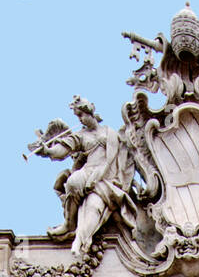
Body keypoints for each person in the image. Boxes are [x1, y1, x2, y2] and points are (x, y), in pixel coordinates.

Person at [32, 97, 136, 256]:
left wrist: (97, 176)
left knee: (93, 207)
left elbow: (110, 158)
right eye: (78, 116)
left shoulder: (109, 132)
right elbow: (63, 149)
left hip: (106, 177)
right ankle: (68, 223)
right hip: (88, 170)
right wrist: (47, 151)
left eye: (81, 114)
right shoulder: (81, 135)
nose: (80, 119)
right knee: (72, 182)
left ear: (90, 112)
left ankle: (80, 241)